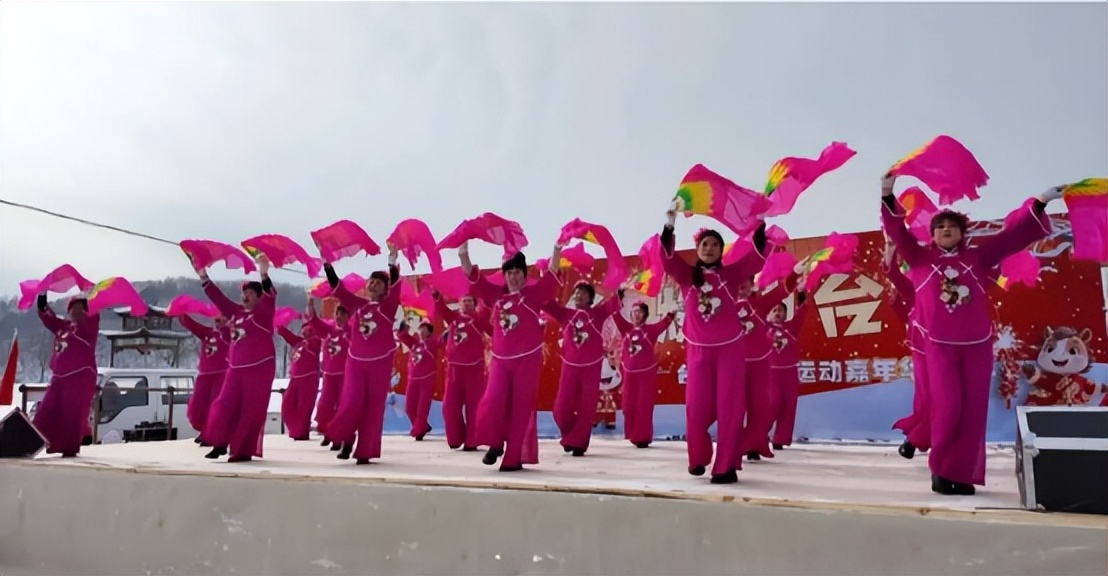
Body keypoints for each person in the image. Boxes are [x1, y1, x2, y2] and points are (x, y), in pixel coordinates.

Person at [881, 173, 1060, 495]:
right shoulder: (919, 258)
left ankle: (961, 474)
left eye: (952, 226)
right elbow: (897, 231)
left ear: (962, 233)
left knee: (973, 412)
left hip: (977, 345)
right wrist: (887, 192)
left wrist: (1040, 202)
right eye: (939, 227)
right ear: (932, 234)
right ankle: (941, 471)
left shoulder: (979, 258)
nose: (945, 230)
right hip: (939, 346)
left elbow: (1012, 238)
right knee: (948, 407)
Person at [661, 202, 768, 484]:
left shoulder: (731, 274)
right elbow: (668, 260)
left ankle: (725, 466)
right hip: (698, 352)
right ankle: (697, 457)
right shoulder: (687, 276)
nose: (709, 249)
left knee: (730, 407)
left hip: (729, 350)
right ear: (697, 249)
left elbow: (756, 259)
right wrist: (670, 224)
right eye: (705, 244)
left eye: (715, 245)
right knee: (696, 407)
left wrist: (760, 224)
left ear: (721, 250)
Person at [460, 241, 563, 472]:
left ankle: (513, 458)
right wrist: (463, 253)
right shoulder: (496, 295)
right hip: (501, 360)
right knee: (491, 402)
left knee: (520, 409)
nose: (513, 277)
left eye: (517, 273)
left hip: (527, 359)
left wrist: (557, 250)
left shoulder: (534, 294)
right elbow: (474, 278)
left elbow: (552, 275)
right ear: (504, 276)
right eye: (509, 273)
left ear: (525, 275)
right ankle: (496, 443)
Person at [318, 244, 401, 464]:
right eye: (371, 281)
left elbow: (396, 289)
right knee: (351, 401)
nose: (373, 284)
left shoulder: (388, 308)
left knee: (372, 408)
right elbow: (339, 289)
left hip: (380, 364)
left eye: (378, 283)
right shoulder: (358, 306)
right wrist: (327, 264)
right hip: (356, 362)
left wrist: (392, 262)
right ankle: (345, 439)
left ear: (385, 290)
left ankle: (365, 450)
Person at [195, 254, 277, 462]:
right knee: (224, 404)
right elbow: (219, 299)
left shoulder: (263, 315)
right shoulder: (236, 314)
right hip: (236, 368)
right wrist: (203, 275)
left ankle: (241, 450)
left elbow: (270, 297)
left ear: (258, 297)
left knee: (249, 410)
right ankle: (219, 442)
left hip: (258, 369)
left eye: (251, 293)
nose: (246, 297)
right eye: (244, 293)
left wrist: (264, 272)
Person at [542, 281, 623, 456]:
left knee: (586, 407)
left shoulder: (597, 314)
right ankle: (570, 436)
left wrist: (622, 288)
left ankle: (578, 443)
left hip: (591, 367)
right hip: (570, 366)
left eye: (583, 293)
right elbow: (546, 303)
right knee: (561, 408)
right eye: (577, 292)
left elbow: (613, 302)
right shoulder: (566, 314)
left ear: (590, 298)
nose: (579, 295)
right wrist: (544, 282)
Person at [737, 273, 798, 462]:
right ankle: (732, 446)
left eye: (746, 284)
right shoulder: (725, 302)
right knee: (734, 408)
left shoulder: (760, 304)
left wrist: (796, 274)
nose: (742, 287)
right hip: (733, 363)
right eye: (739, 284)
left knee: (759, 407)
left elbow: (781, 291)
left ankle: (754, 445)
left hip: (759, 364)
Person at [33, 293, 100, 457]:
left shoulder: (88, 327)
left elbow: (93, 316)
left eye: (81, 308)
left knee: (72, 413)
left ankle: (69, 449)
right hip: (59, 376)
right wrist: (43, 306)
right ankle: (33, 441)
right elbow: (50, 320)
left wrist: (92, 301)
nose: (77, 311)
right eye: (74, 308)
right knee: (46, 411)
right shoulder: (64, 326)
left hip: (80, 376)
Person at [882, 240, 929, 460]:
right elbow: (893, 273)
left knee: (945, 402)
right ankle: (915, 439)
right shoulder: (913, 291)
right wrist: (891, 250)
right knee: (929, 400)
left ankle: (919, 439)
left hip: (952, 350)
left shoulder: (949, 283)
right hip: (925, 352)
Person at [610, 301, 676, 448]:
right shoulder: (625, 328)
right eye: (634, 311)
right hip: (629, 374)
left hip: (646, 374)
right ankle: (632, 434)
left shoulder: (651, 330)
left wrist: (672, 310)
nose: (636, 314)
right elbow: (615, 314)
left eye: (639, 311)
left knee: (644, 406)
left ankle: (642, 437)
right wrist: (616, 297)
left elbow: (666, 322)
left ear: (645, 314)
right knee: (628, 407)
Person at [432, 291, 492, 451]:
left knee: (474, 407)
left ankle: (473, 440)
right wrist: (438, 298)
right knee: (449, 407)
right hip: (454, 369)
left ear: (474, 304)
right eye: (464, 300)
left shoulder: (478, 320)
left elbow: (488, 322)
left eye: (470, 301)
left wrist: (487, 303)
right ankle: (455, 437)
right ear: (459, 303)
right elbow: (443, 310)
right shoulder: (453, 318)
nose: (466, 303)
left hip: (474, 369)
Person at [766, 280, 809, 450]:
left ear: (786, 314)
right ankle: (759, 433)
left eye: (781, 310)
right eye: (774, 310)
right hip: (771, 374)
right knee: (773, 403)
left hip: (790, 373)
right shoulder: (764, 327)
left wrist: (802, 292)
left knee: (788, 406)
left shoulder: (791, 329)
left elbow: (802, 311)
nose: (777, 313)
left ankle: (780, 439)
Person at [177, 312, 230, 447]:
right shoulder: (208, 333)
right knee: (197, 407)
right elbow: (192, 325)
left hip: (221, 375)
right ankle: (205, 430)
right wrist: (181, 313)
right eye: (216, 318)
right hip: (204, 375)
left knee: (215, 406)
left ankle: (211, 434)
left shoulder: (230, 334)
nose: (217, 320)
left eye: (221, 317)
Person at [277, 298, 323, 441]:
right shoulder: (299, 342)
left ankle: (301, 432)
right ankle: (295, 429)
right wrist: (281, 322)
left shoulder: (315, 344)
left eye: (308, 328)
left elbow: (317, 326)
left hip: (308, 378)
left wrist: (311, 310)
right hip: (295, 378)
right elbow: (285, 334)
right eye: (304, 328)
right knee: (287, 405)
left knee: (304, 407)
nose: (305, 331)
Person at [306, 304, 350, 451]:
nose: (339, 317)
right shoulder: (329, 330)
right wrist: (311, 308)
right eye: (337, 313)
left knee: (341, 408)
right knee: (324, 406)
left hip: (345, 376)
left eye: (343, 314)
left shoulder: (352, 332)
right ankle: (328, 432)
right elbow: (316, 323)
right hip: (329, 375)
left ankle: (338, 438)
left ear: (348, 317)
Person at [397, 320, 443, 441]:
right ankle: (423, 427)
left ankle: (418, 430)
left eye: (424, 329)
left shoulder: (432, 343)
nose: (422, 331)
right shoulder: (414, 343)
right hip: (413, 379)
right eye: (420, 328)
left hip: (427, 379)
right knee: (409, 408)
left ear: (429, 332)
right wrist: (404, 324)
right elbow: (402, 335)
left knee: (422, 408)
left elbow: (443, 340)